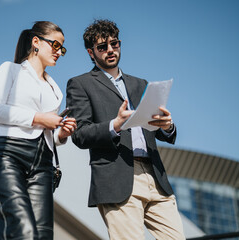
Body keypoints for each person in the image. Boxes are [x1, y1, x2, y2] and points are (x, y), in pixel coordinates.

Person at [66, 19, 185, 240]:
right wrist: (115, 125)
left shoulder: (141, 84)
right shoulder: (80, 84)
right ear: (91, 53)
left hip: (155, 177)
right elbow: (80, 135)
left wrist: (168, 126)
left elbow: (157, 129)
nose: (110, 50)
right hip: (117, 177)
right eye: (102, 47)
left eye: (115, 44)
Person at [0, 21, 76, 240]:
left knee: (43, 235)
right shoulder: (10, 70)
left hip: (43, 162)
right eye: (55, 45)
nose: (59, 52)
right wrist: (39, 118)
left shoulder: (55, 89)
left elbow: (49, 132)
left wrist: (62, 134)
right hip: (7, 154)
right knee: (23, 232)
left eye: (62, 48)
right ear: (36, 42)